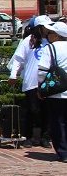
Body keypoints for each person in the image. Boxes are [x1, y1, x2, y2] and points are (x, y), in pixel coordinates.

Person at [9, 16, 51, 148]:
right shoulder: (28, 41)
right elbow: (18, 59)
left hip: (47, 82)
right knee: (33, 110)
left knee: (46, 111)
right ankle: (28, 137)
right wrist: (13, 75)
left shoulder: (50, 41)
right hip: (31, 82)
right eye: (45, 26)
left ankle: (45, 137)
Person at [37, 21, 67, 162]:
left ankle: (63, 151)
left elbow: (42, 71)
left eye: (50, 33)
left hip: (57, 92)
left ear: (57, 35)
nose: (48, 35)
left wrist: (41, 87)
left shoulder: (50, 49)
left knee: (57, 122)